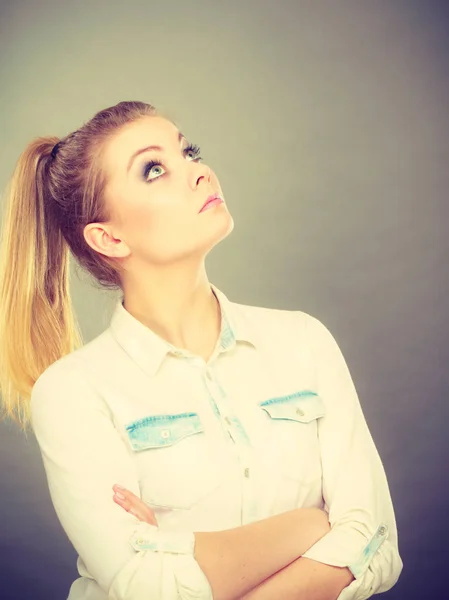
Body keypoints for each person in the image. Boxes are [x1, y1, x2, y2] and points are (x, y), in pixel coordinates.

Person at [0, 100, 403, 600]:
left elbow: (377, 546)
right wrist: (309, 526)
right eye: (154, 169)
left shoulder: (305, 342)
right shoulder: (71, 392)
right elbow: (148, 587)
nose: (198, 171)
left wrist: (181, 550)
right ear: (109, 237)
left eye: (188, 152)